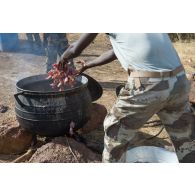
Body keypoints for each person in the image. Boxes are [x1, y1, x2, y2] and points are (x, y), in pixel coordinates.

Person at [58, 33, 195, 163]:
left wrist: (62, 60)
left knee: (115, 134)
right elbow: (115, 52)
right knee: (184, 138)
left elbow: (74, 48)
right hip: (179, 80)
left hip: (149, 84)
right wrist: (89, 64)